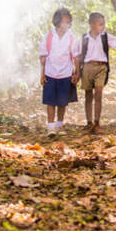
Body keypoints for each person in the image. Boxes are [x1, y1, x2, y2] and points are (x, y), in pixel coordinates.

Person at [38, 7, 80, 135]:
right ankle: (50, 127)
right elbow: (43, 56)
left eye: (68, 22)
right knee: (50, 101)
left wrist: (76, 73)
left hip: (66, 73)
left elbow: (76, 56)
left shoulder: (72, 37)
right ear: (57, 22)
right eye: (63, 22)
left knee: (62, 102)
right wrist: (42, 74)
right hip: (50, 72)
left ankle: (59, 125)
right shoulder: (49, 36)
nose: (65, 25)